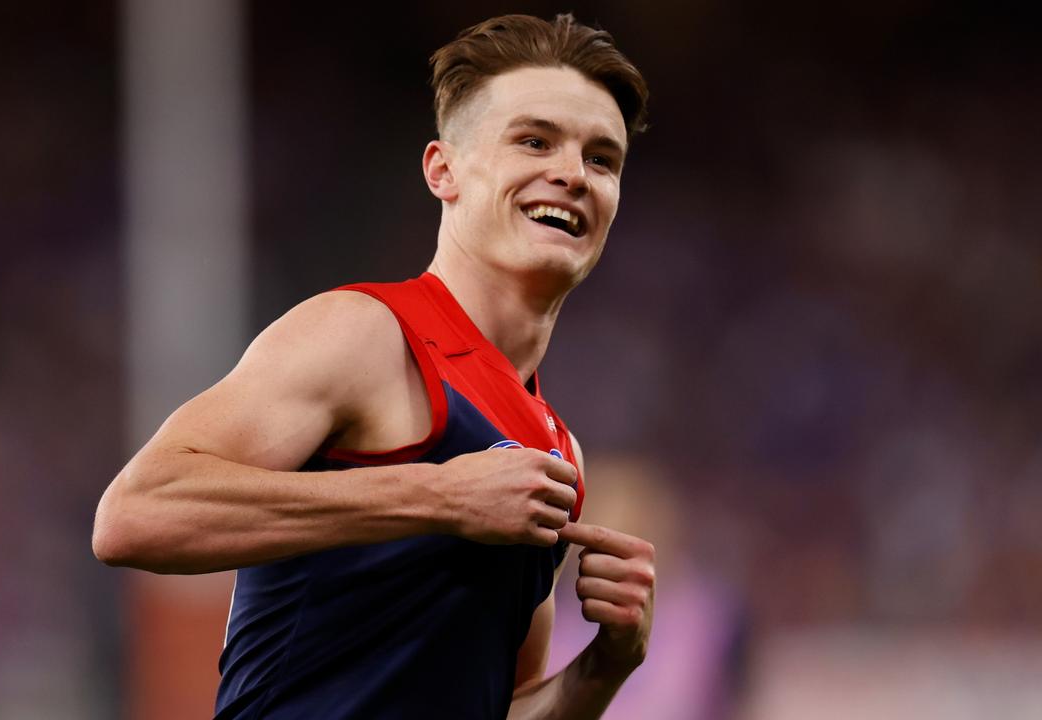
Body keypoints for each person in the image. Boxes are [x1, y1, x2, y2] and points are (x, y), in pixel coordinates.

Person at [93, 13, 655, 719]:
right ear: (442, 170)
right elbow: (135, 514)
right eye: (534, 141)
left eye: (601, 159)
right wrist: (439, 498)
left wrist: (606, 667)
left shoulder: (554, 450)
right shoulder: (368, 335)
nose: (572, 174)